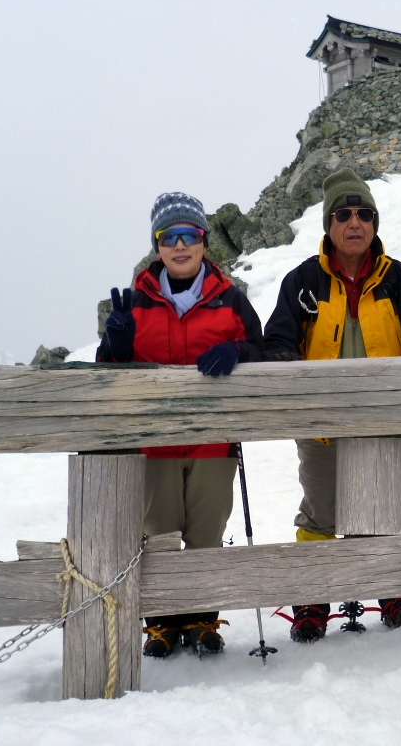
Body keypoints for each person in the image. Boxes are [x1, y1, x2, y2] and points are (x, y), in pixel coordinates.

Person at [263, 168, 401, 642]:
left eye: (364, 214)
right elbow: (279, 335)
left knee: (386, 508)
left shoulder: (397, 278)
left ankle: (393, 589)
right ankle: (312, 596)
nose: (354, 222)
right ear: (328, 224)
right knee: (321, 511)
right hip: (321, 422)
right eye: (343, 214)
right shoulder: (303, 280)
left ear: (375, 223)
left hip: (386, 420)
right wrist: (284, 359)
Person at [98, 192, 264, 658]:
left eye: (188, 235)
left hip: (213, 442)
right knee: (161, 533)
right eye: (168, 237)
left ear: (204, 242)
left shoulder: (230, 299)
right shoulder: (135, 302)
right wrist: (116, 344)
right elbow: (109, 372)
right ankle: (163, 623)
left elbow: (266, 352)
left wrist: (239, 351)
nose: (179, 245)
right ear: (157, 247)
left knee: (207, 533)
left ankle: (203, 619)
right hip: (156, 444)